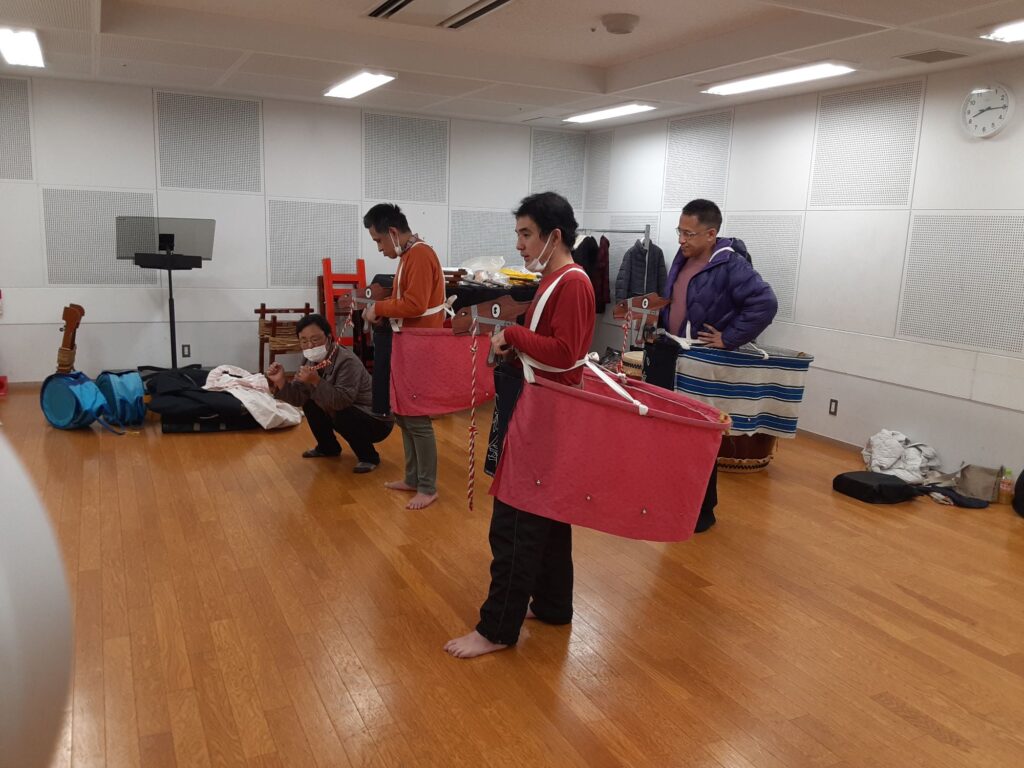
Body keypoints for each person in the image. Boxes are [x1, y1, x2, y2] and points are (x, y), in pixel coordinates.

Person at [445, 191, 595, 659]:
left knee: (515, 523)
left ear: (555, 235)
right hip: (540, 409)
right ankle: (552, 604)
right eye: (518, 234)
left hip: (544, 417)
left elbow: (566, 353)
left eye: (526, 234)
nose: (519, 245)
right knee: (547, 515)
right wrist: (516, 342)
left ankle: (496, 629)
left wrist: (511, 333)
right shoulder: (556, 280)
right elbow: (548, 345)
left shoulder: (572, 283)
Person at [661, 198, 778, 532]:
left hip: (704, 362)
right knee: (676, 438)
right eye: (679, 231)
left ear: (711, 234)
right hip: (677, 357)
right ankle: (678, 503)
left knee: (699, 439)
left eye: (689, 234)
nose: (681, 239)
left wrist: (728, 338)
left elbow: (765, 303)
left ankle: (702, 511)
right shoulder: (683, 256)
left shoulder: (731, 264)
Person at [361, 203, 446, 510]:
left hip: (420, 347)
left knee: (417, 418)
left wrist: (379, 308)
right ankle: (413, 477)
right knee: (404, 414)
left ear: (393, 232)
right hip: (410, 344)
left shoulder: (419, 255)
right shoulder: (410, 255)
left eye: (379, 240)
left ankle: (427, 486)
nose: (379, 248)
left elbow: (415, 304)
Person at [267, 314, 393, 473]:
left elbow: (342, 401)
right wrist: (281, 381)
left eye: (315, 339)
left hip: (376, 419)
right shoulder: (308, 360)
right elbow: (299, 398)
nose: (310, 345)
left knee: (342, 413)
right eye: (304, 341)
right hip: (343, 409)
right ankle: (328, 447)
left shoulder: (346, 361)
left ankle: (369, 457)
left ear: (328, 337)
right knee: (309, 402)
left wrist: (316, 381)